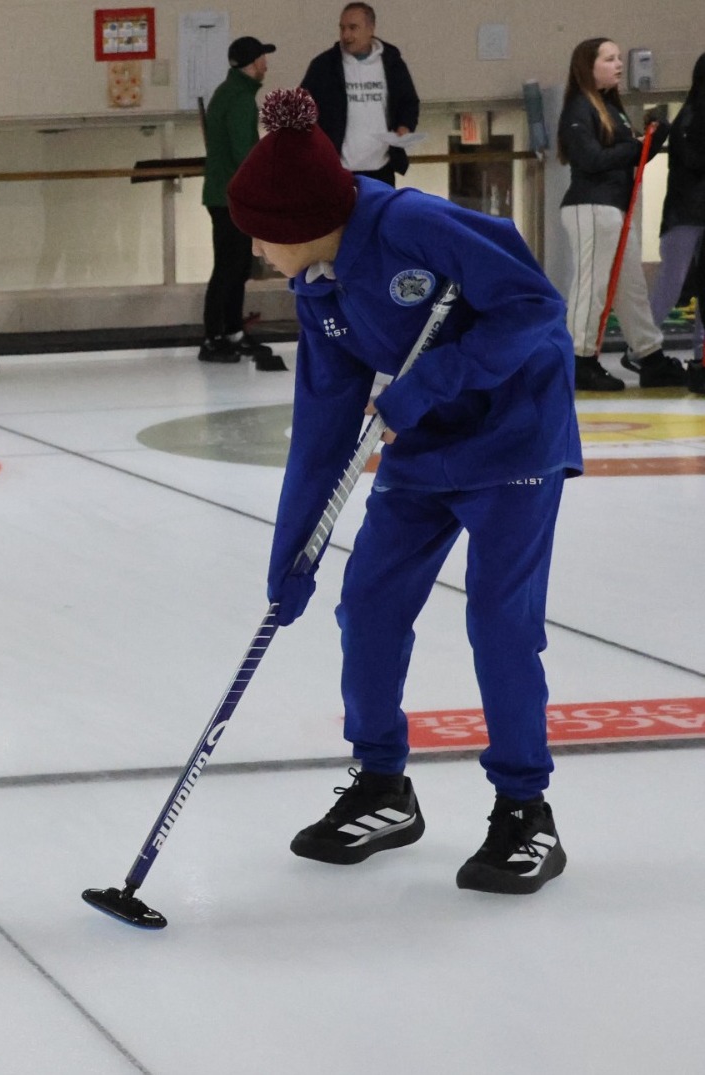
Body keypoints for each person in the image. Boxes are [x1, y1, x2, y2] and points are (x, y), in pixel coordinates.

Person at [227, 88, 581, 896]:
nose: (260, 255)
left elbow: (534, 307)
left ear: (299, 221)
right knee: (371, 603)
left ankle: (525, 808)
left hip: (515, 438)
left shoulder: (413, 226)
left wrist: (430, 384)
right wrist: (292, 558)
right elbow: (321, 429)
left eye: (262, 240)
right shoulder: (319, 288)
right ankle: (383, 784)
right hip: (425, 450)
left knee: (499, 618)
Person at [558, 38, 687, 391]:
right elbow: (592, 159)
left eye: (618, 59)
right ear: (590, 66)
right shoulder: (579, 108)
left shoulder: (609, 108)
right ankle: (579, 360)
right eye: (610, 59)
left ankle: (650, 356)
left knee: (630, 288)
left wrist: (655, 138)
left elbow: (632, 157)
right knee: (592, 286)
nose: (619, 64)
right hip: (591, 206)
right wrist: (634, 147)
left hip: (614, 207)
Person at [200, 35, 288, 371]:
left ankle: (233, 332)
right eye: (264, 57)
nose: (267, 63)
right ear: (254, 63)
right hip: (229, 197)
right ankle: (213, 337)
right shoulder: (239, 99)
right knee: (228, 267)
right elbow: (244, 153)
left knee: (235, 266)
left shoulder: (231, 93)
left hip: (224, 194)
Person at [299, 3, 419, 188]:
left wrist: (404, 126)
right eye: (342, 28)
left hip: (381, 169)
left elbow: (408, 102)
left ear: (371, 29)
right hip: (337, 171)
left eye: (353, 28)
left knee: (377, 216)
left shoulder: (392, 63)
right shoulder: (324, 66)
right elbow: (300, 110)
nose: (346, 35)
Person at [648, 52, 705, 393]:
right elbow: (695, 163)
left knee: (696, 286)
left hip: (690, 214)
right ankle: (640, 348)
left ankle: (701, 355)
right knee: (672, 283)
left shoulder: (690, 114)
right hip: (686, 216)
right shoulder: (692, 117)